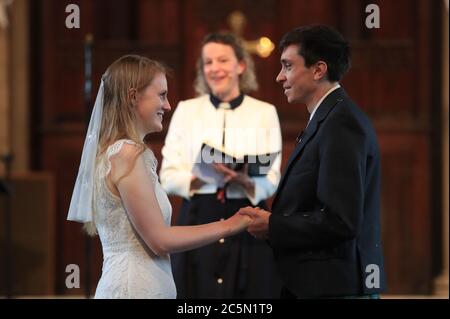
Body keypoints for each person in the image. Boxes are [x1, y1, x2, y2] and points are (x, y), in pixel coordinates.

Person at [67, 54, 252, 299]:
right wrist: (230, 225)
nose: (167, 105)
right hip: (135, 288)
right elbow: (160, 240)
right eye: (162, 95)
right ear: (133, 97)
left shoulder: (117, 151)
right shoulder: (128, 153)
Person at [239, 25, 387, 298]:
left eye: (287, 66)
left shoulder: (341, 123)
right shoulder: (327, 118)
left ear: (319, 70)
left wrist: (273, 225)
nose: (279, 77)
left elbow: (341, 220)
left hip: (335, 287)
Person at [160, 32, 283, 298]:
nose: (214, 68)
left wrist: (243, 179)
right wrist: (204, 177)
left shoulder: (264, 112)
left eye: (222, 60)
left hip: (248, 217)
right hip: (198, 216)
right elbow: (167, 174)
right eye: (208, 62)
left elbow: (272, 177)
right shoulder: (186, 110)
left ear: (240, 65)